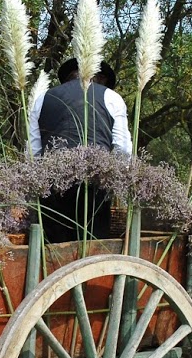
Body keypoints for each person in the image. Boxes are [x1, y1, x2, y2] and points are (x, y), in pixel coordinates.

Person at [27, 59, 132, 242]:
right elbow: (122, 149)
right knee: (93, 246)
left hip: (52, 189)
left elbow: (33, 151)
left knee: (54, 249)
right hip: (95, 187)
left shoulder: (42, 98)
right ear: (101, 77)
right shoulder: (112, 97)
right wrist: (116, 185)